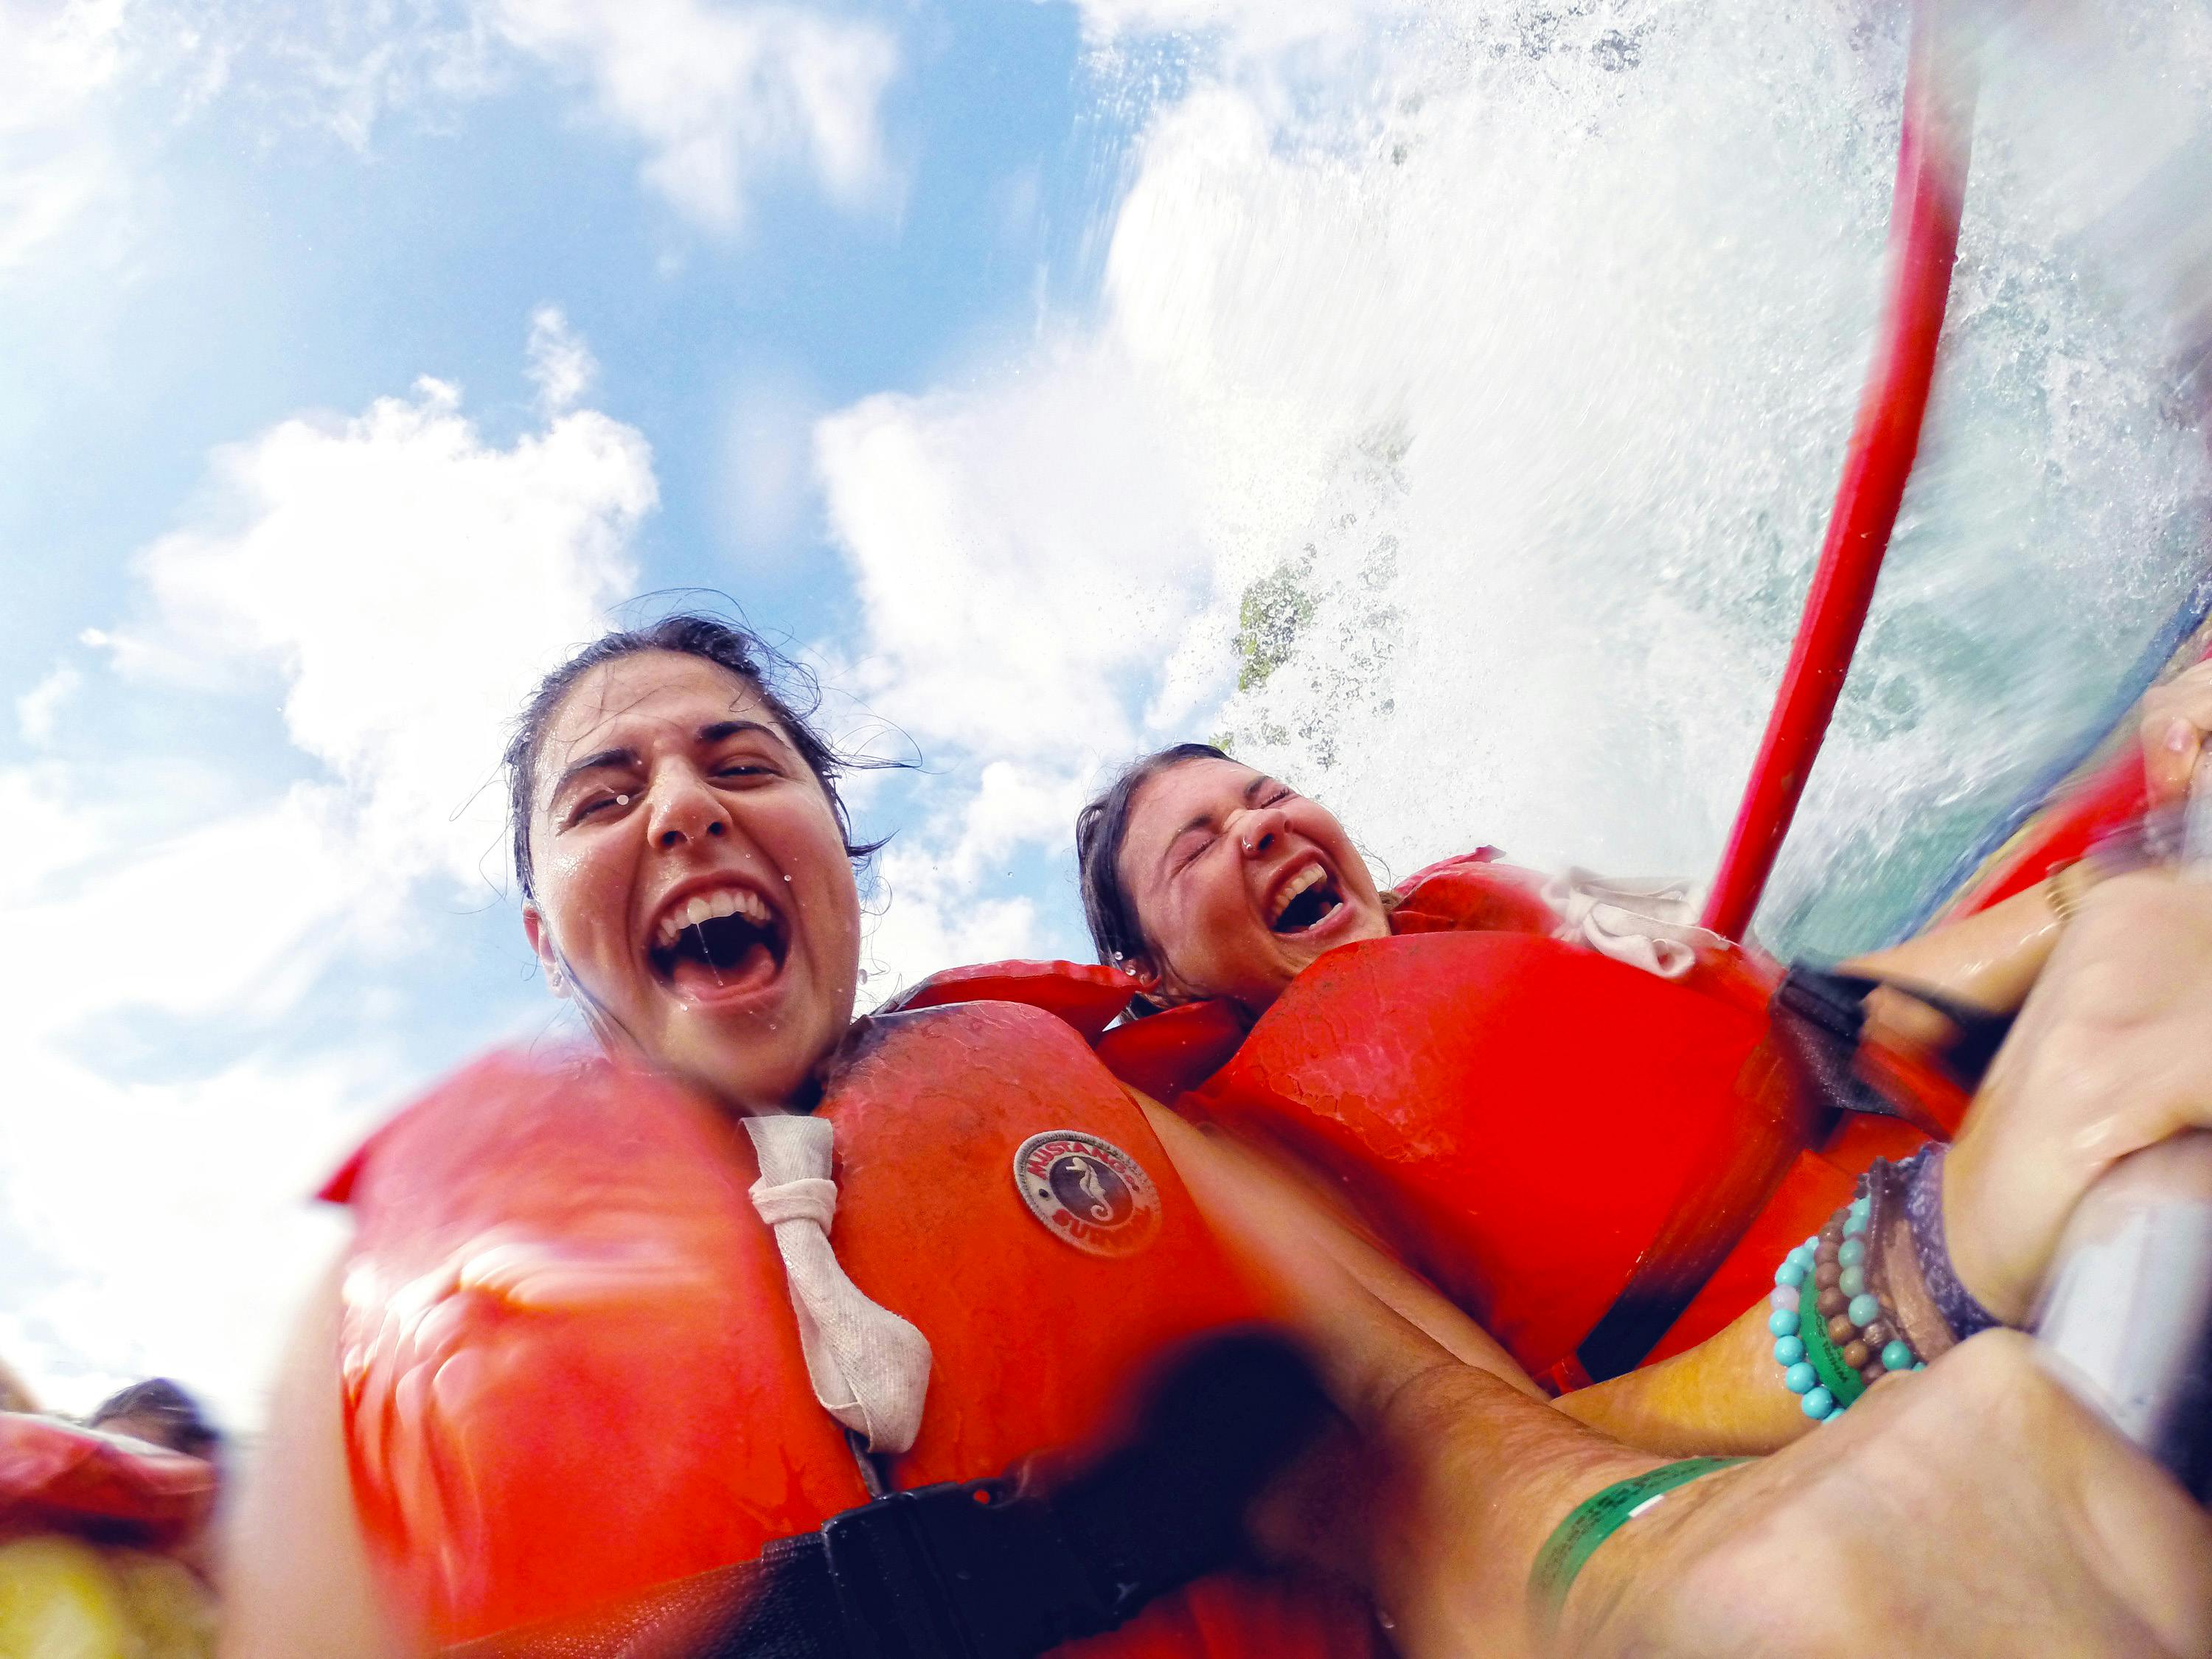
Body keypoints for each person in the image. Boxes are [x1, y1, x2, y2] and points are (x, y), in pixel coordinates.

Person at [223, 616, 2212, 1658]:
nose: (685, 809)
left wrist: (1719, 1523)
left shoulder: (1073, 1104)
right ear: (535, 925)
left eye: (747, 763)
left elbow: (1465, 1480)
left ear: (841, 850)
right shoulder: (378, 1314)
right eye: (607, 792)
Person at [1062, 658, 2212, 1387]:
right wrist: (1896, 1292)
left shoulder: (1481, 911)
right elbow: (1513, 1466)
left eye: (1264, 796)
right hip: (1873, 1374)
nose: (1257, 830)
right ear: (1156, 980)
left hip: (1940, 1146)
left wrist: (2125, 860)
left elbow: (1801, 1013)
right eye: (1196, 848)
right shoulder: (1244, 1160)